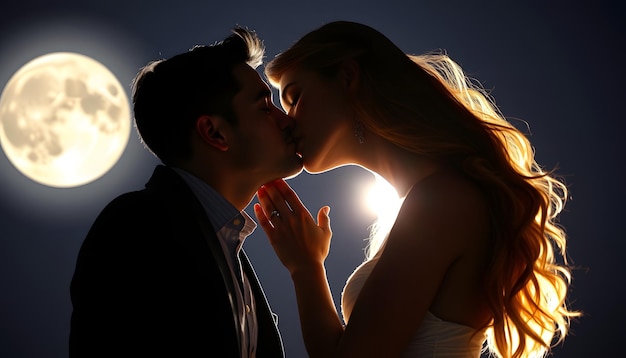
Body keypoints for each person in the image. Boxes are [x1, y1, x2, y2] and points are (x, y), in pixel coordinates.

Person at [252, 21, 579, 358]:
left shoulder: (440, 202)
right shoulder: (423, 201)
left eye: (294, 97)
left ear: (347, 78)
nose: (287, 120)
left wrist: (306, 268)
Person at [69, 27, 302, 357]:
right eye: (265, 108)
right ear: (214, 133)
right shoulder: (137, 228)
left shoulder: (226, 247)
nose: (287, 121)